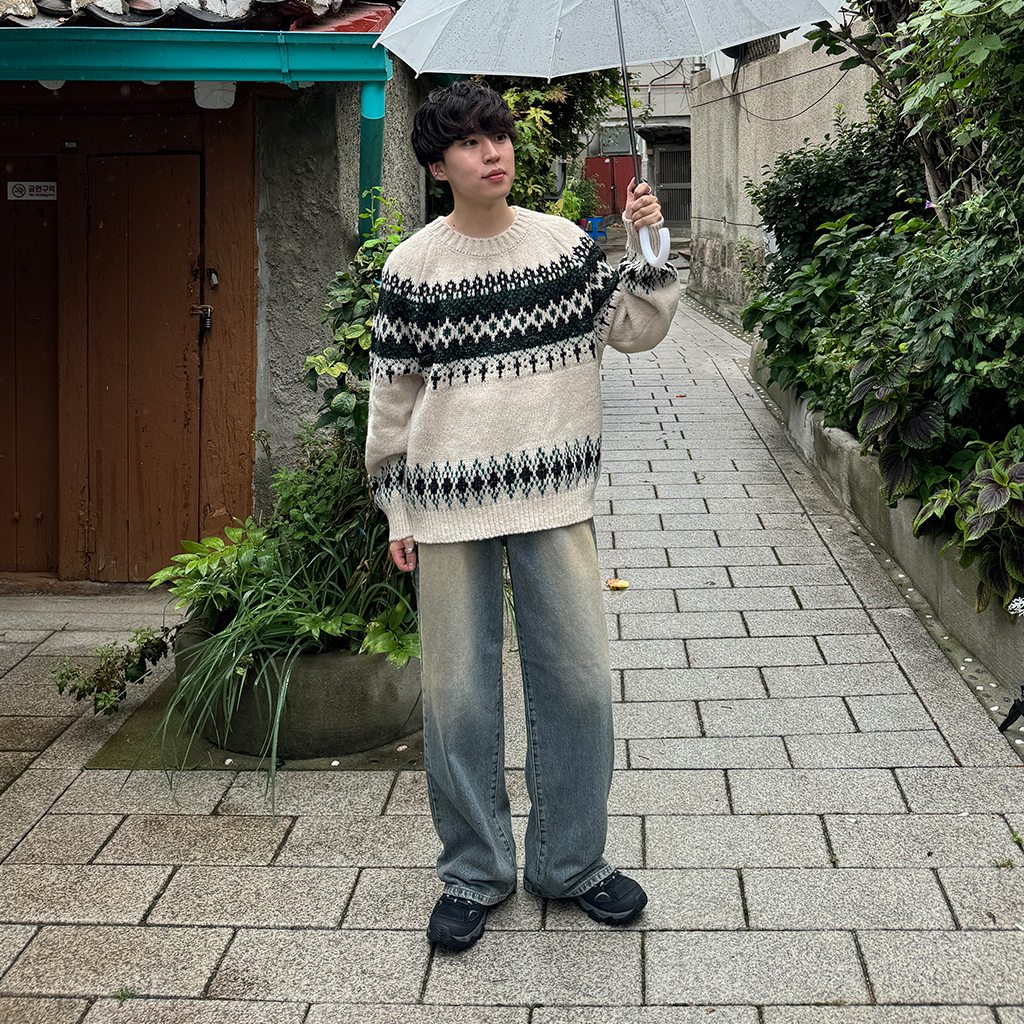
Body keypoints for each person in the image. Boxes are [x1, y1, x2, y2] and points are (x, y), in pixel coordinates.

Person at [365, 79, 681, 952]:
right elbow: (392, 397)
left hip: (555, 495)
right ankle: (475, 872)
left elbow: (634, 330)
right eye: (469, 143)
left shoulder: (561, 246)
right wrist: (395, 504)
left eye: (497, 136)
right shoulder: (412, 268)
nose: (492, 152)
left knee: (579, 686)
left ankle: (570, 864)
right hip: (446, 505)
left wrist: (647, 242)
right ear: (438, 166)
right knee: (459, 700)